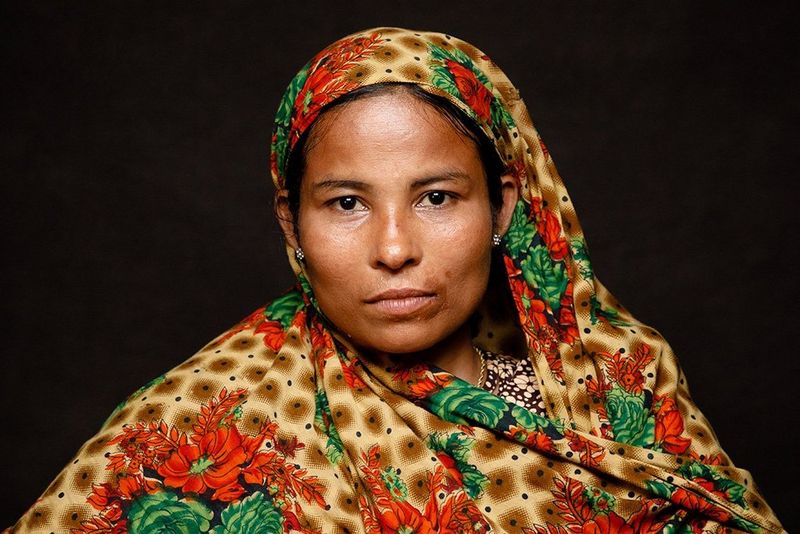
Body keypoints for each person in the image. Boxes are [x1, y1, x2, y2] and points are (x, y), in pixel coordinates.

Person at [7, 26, 784, 533]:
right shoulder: (198, 423)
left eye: (437, 197)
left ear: (503, 205)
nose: (393, 247)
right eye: (346, 203)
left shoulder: (619, 385)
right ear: (292, 226)